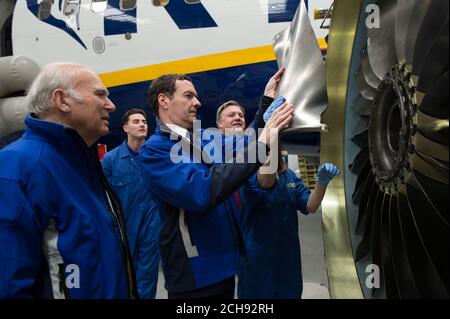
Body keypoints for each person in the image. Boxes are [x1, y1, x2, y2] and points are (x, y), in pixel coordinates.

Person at [139, 72, 293, 299]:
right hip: (196, 277)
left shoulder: (199, 140)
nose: (198, 102)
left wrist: (267, 100)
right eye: (189, 96)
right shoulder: (156, 151)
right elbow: (201, 193)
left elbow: (243, 144)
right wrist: (262, 145)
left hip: (223, 268)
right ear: (164, 100)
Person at [0, 63, 136, 298]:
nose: (111, 105)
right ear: (61, 100)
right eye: (99, 94)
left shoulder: (83, 165)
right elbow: (9, 285)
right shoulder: (17, 167)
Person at [237, 145, 340, 299]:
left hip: (288, 261)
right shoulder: (250, 177)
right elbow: (266, 182)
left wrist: (322, 184)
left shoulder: (289, 177)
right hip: (257, 261)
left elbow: (310, 206)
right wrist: (273, 133)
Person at [102, 108, 161, 299]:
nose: (142, 124)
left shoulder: (155, 156)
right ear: (126, 127)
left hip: (152, 226)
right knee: (123, 276)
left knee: (146, 277)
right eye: (136, 121)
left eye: (144, 121)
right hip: (123, 228)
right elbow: (103, 198)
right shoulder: (110, 160)